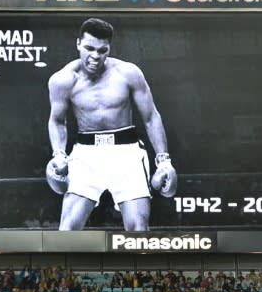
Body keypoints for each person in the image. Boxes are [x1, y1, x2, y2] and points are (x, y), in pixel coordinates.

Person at [46, 17, 177, 230]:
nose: (95, 56)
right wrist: (58, 153)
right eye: (89, 48)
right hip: (86, 155)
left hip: (127, 154)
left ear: (109, 48)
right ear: (78, 43)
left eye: (102, 50)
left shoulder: (128, 73)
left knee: (138, 231)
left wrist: (164, 160)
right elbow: (57, 121)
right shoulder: (62, 80)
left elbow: (151, 116)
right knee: (67, 230)